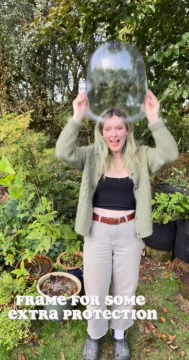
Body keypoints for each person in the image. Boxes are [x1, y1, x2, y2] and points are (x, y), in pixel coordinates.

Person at [55, 90, 178, 360]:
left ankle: (120, 333)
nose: (114, 134)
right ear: (101, 131)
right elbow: (63, 152)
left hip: (129, 233)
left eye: (119, 128)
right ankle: (95, 334)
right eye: (108, 128)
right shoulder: (91, 156)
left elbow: (170, 153)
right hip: (97, 231)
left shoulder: (142, 156)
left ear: (127, 129)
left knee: (126, 287)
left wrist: (154, 117)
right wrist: (77, 115)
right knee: (97, 287)